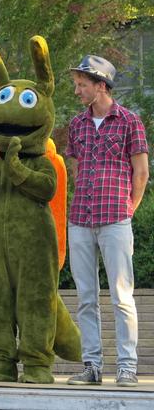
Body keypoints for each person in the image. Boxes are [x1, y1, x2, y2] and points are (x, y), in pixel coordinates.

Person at [66, 55, 149, 387]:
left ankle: (127, 367)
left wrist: (129, 209)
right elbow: (76, 169)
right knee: (86, 297)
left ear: (101, 85)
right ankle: (92, 367)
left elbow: (141, 172)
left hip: (115, 218)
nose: (77, 91)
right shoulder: (77, 124)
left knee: (121, 295)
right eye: (76, 85)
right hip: (80, 220)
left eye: (82, 85)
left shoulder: (130, 121)